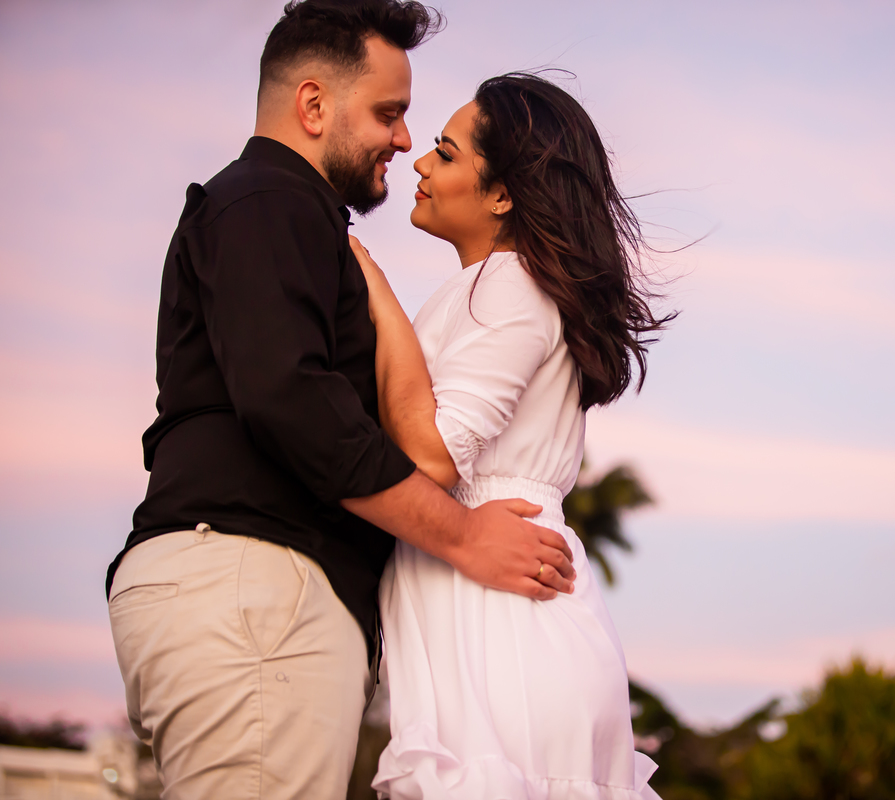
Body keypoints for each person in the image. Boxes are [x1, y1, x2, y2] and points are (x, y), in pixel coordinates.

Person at [104, 3, 575, 798]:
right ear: (314, 106)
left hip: (256, 600)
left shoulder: (289, 218)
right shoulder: (267, 200)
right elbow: (291, 400)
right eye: (389, 114)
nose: (403, 139)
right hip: (254, 593)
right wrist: (462, 535)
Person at [352, 73, 674, 799]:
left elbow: (431, 455)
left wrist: (374, 292)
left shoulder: (510, 282)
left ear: (502, 193)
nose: (421, 164)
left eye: (445, 151)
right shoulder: (487, 286)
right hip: (493, 608)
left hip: (503, 623)